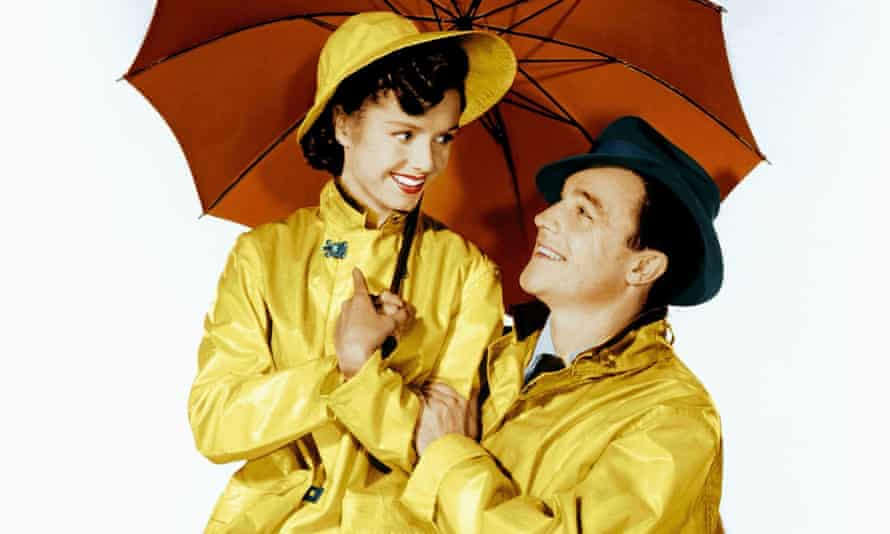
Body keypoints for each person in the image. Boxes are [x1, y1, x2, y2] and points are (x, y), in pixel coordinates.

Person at [188, 12, 516, 532]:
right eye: (404, 133)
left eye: (444, 138)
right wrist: (340, 371)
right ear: (343, 123)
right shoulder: (262, 256)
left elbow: (443, 452)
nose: (426, 162)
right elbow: (216, 425)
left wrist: (360, 369)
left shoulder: (469, 274)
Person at [401, 116, 726, 533]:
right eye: (560, 201)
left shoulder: (671, 419)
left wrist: (449, 455)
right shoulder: (487, 360)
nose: (545, 218)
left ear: (642, 266)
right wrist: (365, 364)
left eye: (584, 212)